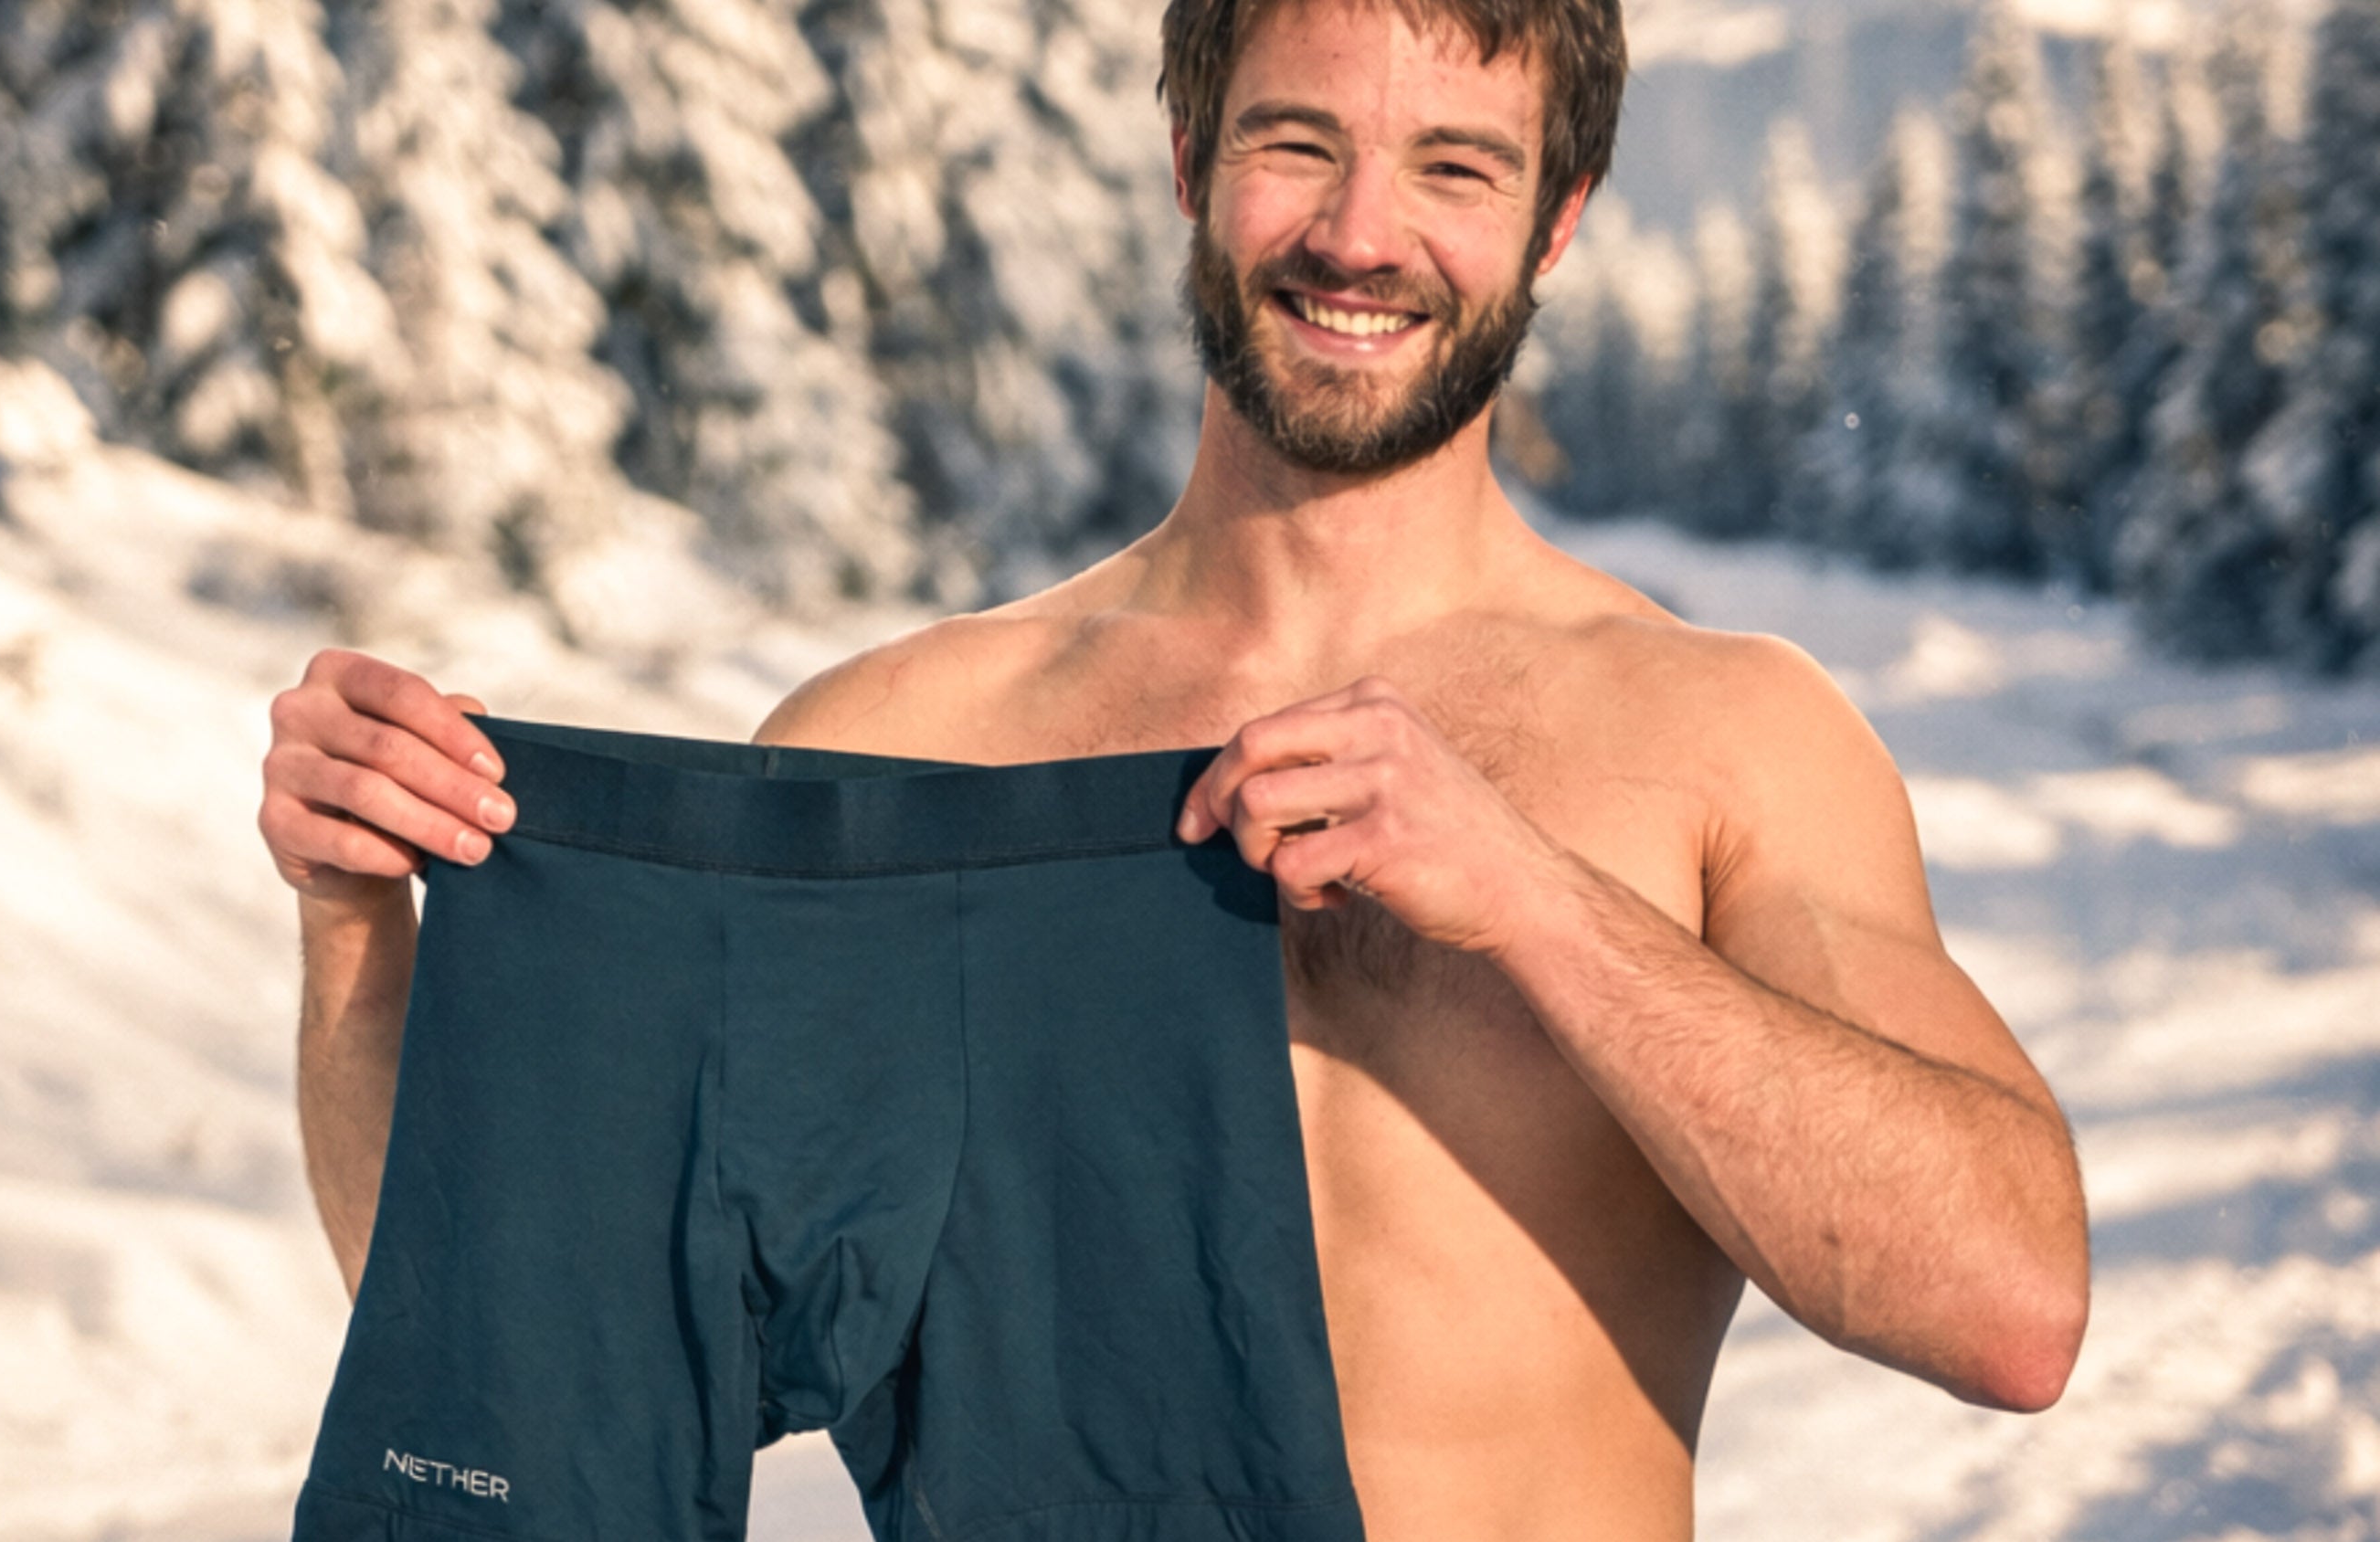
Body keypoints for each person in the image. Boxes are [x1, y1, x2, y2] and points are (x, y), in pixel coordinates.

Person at [259, 0, 2092, 1534]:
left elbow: (2011, 1307)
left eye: (1455, 166)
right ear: (1189, 160)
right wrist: (359, 923)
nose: (1361, 235)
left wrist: (1536, 898)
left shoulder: (1723, 734)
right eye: (1298, 143)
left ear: (1556, 221)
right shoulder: (899, 747)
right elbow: (522, 1351)